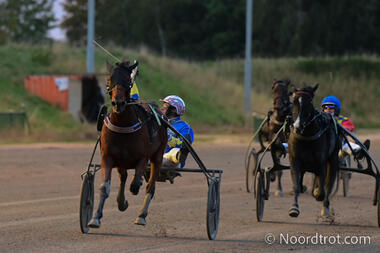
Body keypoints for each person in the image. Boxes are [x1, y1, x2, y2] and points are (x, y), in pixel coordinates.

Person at [160, 95, 194, 168]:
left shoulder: (185, 127)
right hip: (156, 156)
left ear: (174, 110)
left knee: (175, 151)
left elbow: (183, 144)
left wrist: (168, 138)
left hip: (171, 160)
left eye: (165, 106)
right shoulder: (158, 122)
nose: (162, 108)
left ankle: (178, 156)